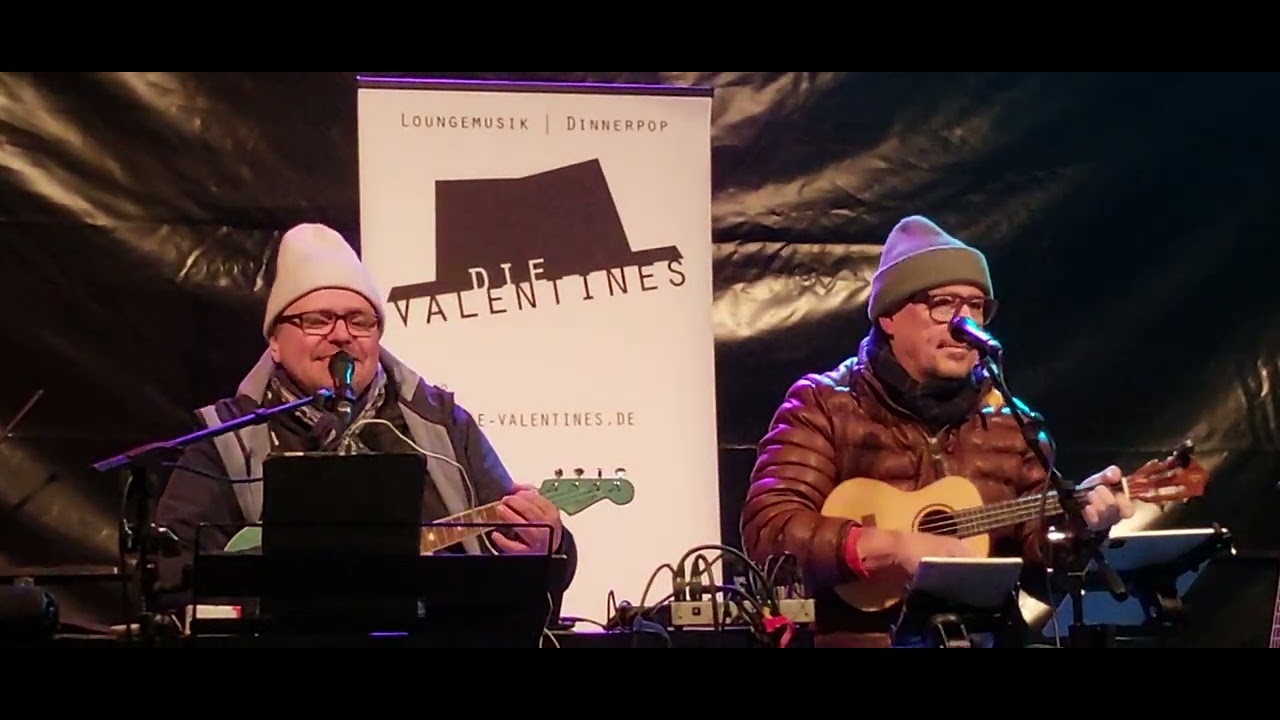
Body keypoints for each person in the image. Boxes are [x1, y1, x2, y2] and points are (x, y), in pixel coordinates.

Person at [739, 215, 1133, 648]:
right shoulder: (823, 404)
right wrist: (889, 547)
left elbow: (1045, 577)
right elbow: (770, 531)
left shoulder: (1012, 423)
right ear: (889, 316)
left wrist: (1083, 529)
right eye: (943, 304)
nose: (965, 324)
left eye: (976, 306)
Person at [154, 222, 576, 611]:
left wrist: (551, 548)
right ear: (275, 343)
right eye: (317, 320)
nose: (341, 335)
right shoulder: (227, 436)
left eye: (359, 320)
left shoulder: (441, 423)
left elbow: (517, 550)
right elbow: (169, 569)